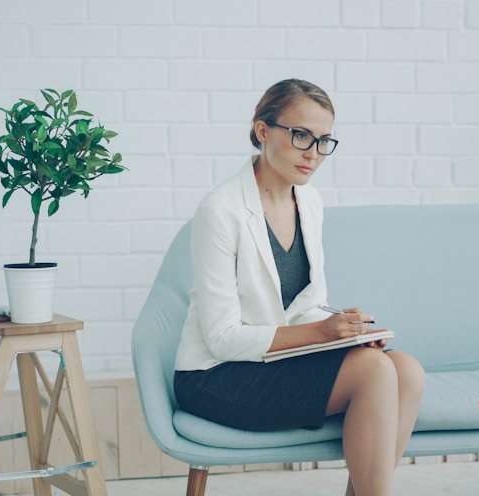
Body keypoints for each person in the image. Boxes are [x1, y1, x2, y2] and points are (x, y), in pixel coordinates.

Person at [174, 79, 425, 496]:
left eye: (324, 140)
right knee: (374, 372)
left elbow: (306, 306)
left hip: (275, 361)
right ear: (263, 131)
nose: (313, 153)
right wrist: (321, 334)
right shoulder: (219, 212)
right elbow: (221, 339)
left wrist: (345, 330)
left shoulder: (308, 202)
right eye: (301, 135)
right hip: (217, 376)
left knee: (408, 371)